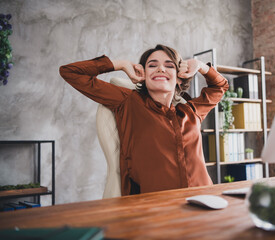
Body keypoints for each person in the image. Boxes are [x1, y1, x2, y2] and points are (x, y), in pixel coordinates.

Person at [59, 44, 229, 196]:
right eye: (152, 65)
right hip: (154, 209)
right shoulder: (128, 102)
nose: (160, 69)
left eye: (169, 65)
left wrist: (200, 66)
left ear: (179, 78)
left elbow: (220, 86)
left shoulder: (191, 111)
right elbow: (70, 72)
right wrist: (122, 64)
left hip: (204, 200)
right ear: (143, 75)